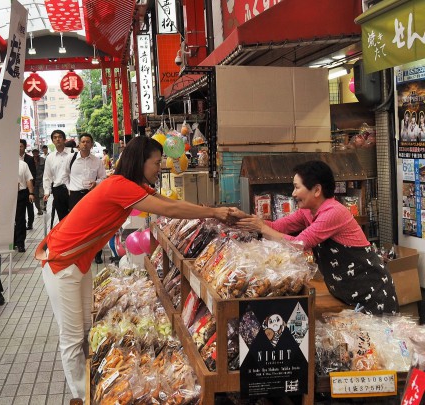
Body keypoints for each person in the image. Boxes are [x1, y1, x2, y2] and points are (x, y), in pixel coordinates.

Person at [35, 136, 235, 400]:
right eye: (156, 162)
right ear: (139, 162)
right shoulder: (121, 186)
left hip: (77, 262)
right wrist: (216, 213)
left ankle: (93, 386)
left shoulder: (130, 185)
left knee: (85, 328)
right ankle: (83, 397)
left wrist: (210, 209)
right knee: (72, 338)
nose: (159, 167)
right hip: (62, 262)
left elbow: (168, 202)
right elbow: (170, 208)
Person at [232, 160, 398, 315]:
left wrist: (260, 227)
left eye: (297, 188)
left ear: (317, 190)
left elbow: (298, 244)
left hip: (372, 292)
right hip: (348, 293)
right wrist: (245, 219)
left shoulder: (334, 213)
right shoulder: (307, 212)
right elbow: (277, 227)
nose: (293, 193)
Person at [66, 133, 106, 264]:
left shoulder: (97, 161)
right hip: (75, 195)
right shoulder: (71, 159)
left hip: (91, 194)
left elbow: (103, 178)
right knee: (76, 226)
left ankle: (97, 254)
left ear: (92, 144)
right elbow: (64, 176)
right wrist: (70, 188)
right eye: (82, 141)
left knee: (95, 226)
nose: (85, 144)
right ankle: (78, 253)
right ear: (79, 143)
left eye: (88, 141)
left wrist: (97, 183)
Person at [43, 130, 71, 228]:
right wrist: (47, 192)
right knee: (62, 218)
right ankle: (66, 240)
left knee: (75, 217)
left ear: (64, 139)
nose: (57, 139)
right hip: (58, 190)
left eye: (60, 137)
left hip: (73, 189)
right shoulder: (50, 157)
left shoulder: (73, 152)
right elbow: (47, 176)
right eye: (55, 137)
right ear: (52, 141)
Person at [14, 156, 35, 253]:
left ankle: (20, 243)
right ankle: (11, 241)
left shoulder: (23, 164)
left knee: (20, 219)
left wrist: (31, 193)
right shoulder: (3, 163)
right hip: (6, 194)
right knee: (9, 220)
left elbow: (28, 179)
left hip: (20, 194)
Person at [19, 139, 36, 230]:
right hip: (19, 188)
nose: (19, 148)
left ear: (25, 147)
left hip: (28, 188)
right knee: (20, 209)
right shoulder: (13, 159)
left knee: (29, 206)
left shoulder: (29, 159)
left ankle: (30, 223)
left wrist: (31, 189)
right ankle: (22, 223)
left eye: (21, 146)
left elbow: (33, 173)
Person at [32, 148, 46, 215]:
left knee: (42, 194)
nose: (35, 154)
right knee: (36, 197)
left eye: (36, 152)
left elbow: (46, 170)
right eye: (34, 153)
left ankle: (43, 207)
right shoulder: (30, 160)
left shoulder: (42, 160)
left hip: (41, 181)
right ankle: (39, 209)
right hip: (34, 182)